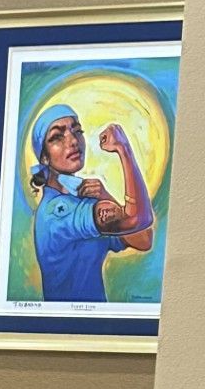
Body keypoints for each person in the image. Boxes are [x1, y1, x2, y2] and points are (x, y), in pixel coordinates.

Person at [28, 102, 154, 303]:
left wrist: (104, 195)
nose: (73, 141)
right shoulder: (57, 212)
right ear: (44, 157)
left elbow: (143, 238)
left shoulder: (83, 200)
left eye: (77, 131)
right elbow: (137, 219)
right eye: (57, 137)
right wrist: (124, 150)